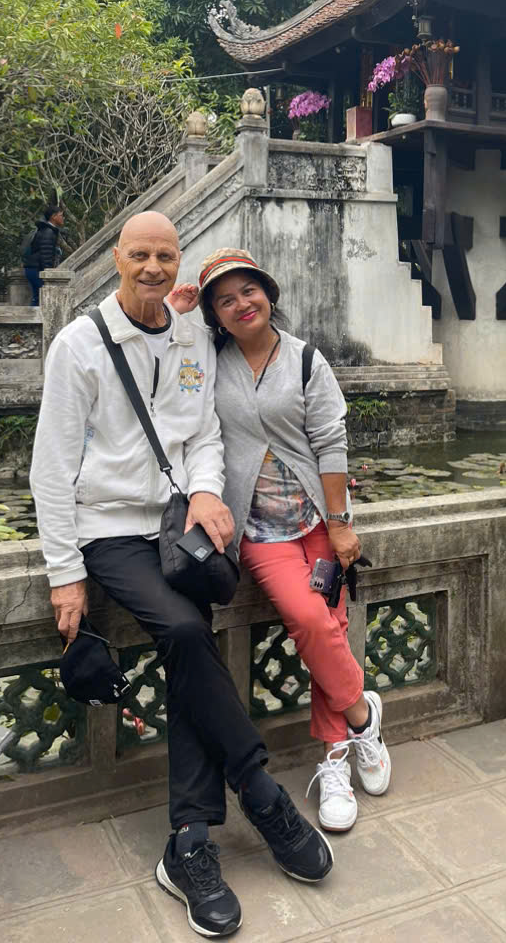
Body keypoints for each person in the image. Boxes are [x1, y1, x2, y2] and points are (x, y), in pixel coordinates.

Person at [30, 212, 332, 940]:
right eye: (140, 254)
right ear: (117, 257)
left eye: (166, 256)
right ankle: (259, 791)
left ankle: (189, 842)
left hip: (176, 524)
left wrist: (203, 490)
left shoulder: (193, 334)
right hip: (109, 529)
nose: (153, 268)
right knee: (186, 631)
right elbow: (51, 465)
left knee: (191, 643)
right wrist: (65, 572)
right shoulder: (80, 345)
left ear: (178, 263)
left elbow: (204, 434)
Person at [169, 248, 391, 836]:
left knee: (330, 630)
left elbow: (331, 443)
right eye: (225, 299)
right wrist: (177, 309)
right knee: (311, 620)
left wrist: (339, 523)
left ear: (268, 294)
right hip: (258, 529)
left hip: (317, 521)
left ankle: (336, 760)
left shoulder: (306, 360)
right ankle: (363, 715)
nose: (241, 304)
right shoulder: (209, 359)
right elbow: (159, 360)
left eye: (249, 291)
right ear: (215, 314)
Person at [23, 204, 65, 306]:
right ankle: (31, 317)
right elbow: (46, 255)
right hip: (36, 269)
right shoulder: (48, 232)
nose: (63, 218)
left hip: (32, 268)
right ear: (53, 217)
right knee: (41, 298)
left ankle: (32, 316)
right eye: (61, 215)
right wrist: (48, 275)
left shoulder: (46, 230)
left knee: (38, 298)